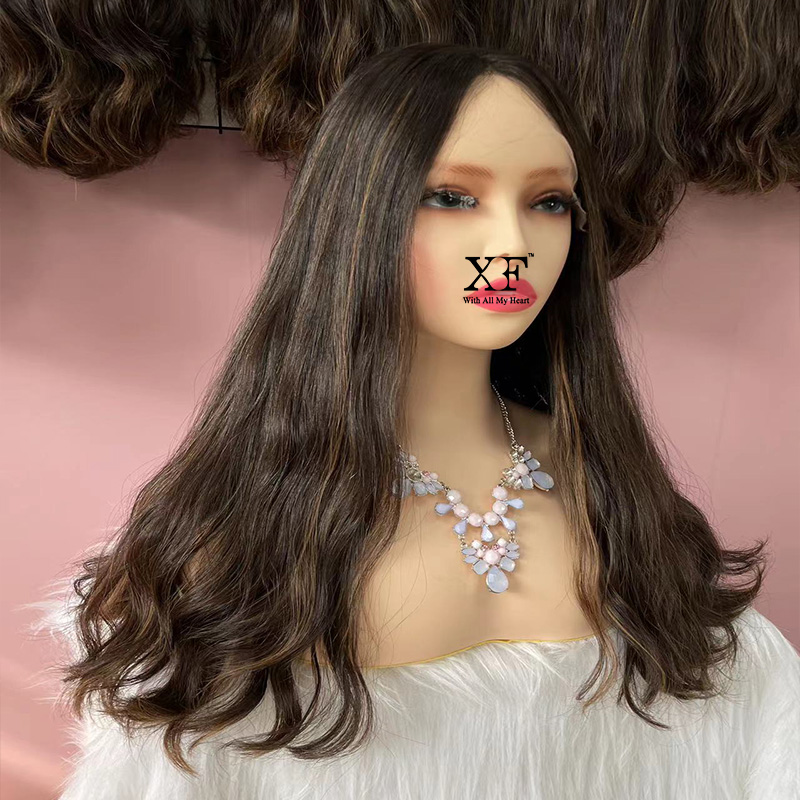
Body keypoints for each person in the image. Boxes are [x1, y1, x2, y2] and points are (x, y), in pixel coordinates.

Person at [32, 43, 800, 799]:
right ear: (358, 214)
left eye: (549, 202)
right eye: (454, 198)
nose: (511, 247)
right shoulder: (234, 546)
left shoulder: (611, 488)